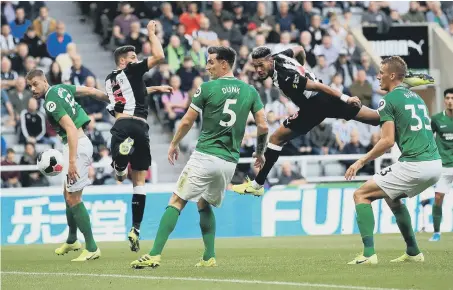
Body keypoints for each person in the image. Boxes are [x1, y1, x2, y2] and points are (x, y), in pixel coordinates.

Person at [130, 46, 268, 269]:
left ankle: (154, 254)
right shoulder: (250, 91)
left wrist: (174, 143)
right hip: (229, 162)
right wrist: (260, 153)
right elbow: (262, 125)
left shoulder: (206, 88)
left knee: (176, 201)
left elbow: (186, 121)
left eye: (212, 61)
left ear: (224, 64)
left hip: (205, 155)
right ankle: (209, 256)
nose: (207, 66)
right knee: (203, 203)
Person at [233, 45, 435, 197]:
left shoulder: (286, 77)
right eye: (255, 66)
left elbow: (319, 87)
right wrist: (303, 67)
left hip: (319, 104)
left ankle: (258, 186)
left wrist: (346, 98)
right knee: (375, 118)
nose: (258, 70)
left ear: (270, 61)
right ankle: (404, 81)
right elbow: (300, 49)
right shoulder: (281, 56)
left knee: (277, 138)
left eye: (261, 65)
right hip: (317, 104)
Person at [344, 56, 442, 265]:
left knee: (361, 194)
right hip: (434, 164)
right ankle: (414, 252)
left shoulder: (388, 100)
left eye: (381, 72)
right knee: (392, 197)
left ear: (391, 75)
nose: (377, 76)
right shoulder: (416, 98)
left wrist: (360, 161)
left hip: (416, 164)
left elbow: (387, 141)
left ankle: (369, 254)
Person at [26, 68, 108, 261]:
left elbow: (70, 128)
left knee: (74, 199)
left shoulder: (51, 102)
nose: (32, 89)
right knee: (67, 195)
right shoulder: (61, 88)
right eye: (30, 86)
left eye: (35, 84)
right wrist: (108, 98)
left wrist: (71, 162)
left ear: (44, 81)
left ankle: (92, 247)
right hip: (76, 144)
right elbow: (89, 91)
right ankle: (72, 239)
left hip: (76, 145)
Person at [104, 20, 172, 252]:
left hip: (121, 126)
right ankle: (136, 227)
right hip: (141, 128)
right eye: (132, 57)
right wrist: (151, 33)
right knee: (139, 182)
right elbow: (160, 55)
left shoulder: (110, 80)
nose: (136, 59)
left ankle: (121, 163)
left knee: (121, 176)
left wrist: (155, 89)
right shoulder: (132, 70)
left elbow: (133, 93)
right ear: (123, 61)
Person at [429, 88, 453, 242]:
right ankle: (436, 232)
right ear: (444, 100)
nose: (450, 101)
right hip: (443, 165)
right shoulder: (437, 119)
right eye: (448, 98)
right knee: (438, 198)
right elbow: (428, 139)